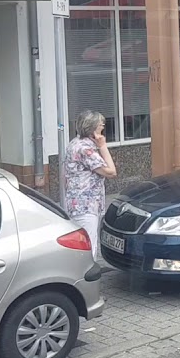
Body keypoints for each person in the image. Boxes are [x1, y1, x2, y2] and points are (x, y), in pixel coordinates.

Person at [63, 110, 117, 265]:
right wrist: (103, 146)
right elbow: (111, 172)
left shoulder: (74, 143)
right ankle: (86, 282)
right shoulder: (86, 149)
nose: (103, 127)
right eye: (101, 125)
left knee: (79, 245)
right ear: (92, 127)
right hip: (86, 207)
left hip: (76, 203)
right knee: (88, 248)